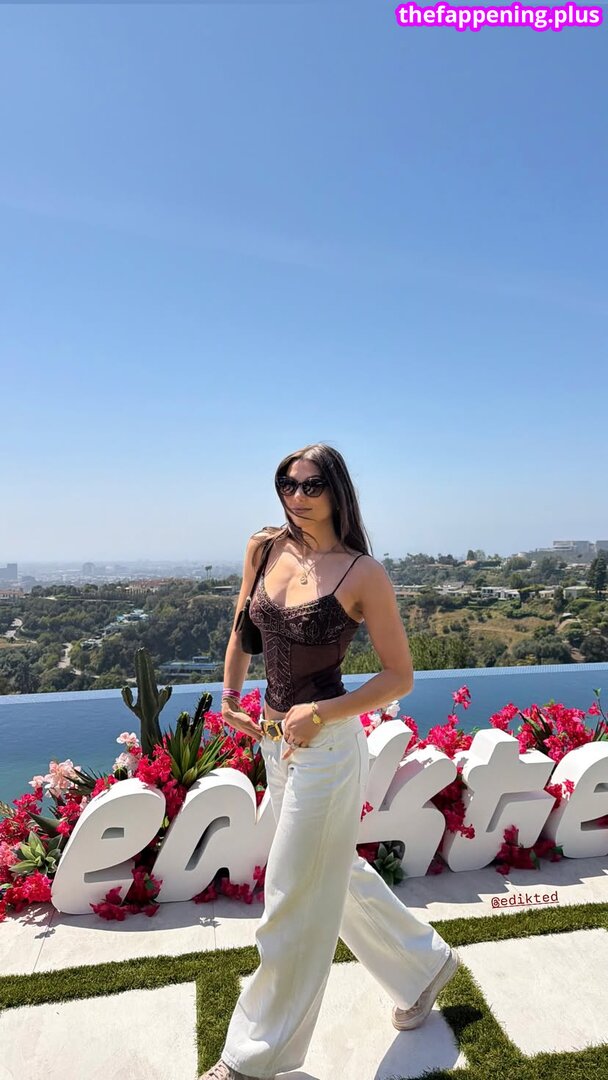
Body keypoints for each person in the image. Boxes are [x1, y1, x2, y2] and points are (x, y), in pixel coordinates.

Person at [201, 443, 459, 1080]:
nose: (296, 496)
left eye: (310, 484)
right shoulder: (264, 549)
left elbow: (398, 677)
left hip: (329, 749)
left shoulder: (362, 574)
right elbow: (243, 630)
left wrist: (320, 713)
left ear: (337, 489)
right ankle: (422, 965)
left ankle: (251, 1060)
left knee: (290, 899)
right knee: (329, 869)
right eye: (286, 483)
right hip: (275, 744)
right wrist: (231, 696)